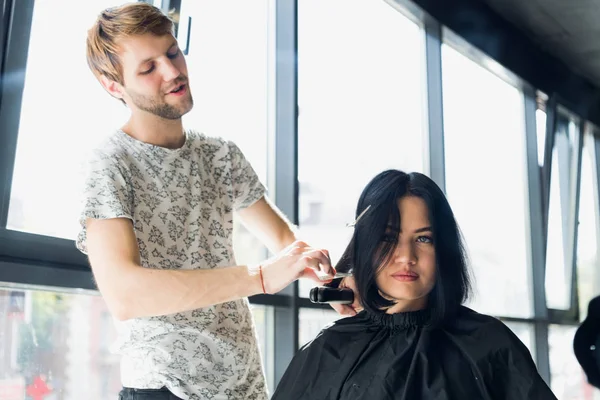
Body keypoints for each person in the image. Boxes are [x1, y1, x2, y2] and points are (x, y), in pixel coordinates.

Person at [77, 3, 340, 399]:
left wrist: (332, 285)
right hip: (167, 388)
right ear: (113, 86)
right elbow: (125, 294)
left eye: (171, 53)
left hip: (243, 384)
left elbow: (287, 244)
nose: (172, 72)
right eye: (148, 68)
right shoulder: (110, 164)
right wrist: (262, 277)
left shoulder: (221, 155)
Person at [272, 169, 557, 400]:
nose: (406, 257)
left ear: (444, 251)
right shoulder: (327, 349)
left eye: (423, 239)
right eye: (387, 238)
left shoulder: (490, 344)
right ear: (365, 246)